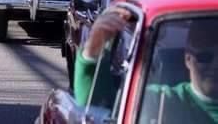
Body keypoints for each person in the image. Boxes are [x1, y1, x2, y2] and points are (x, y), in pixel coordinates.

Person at [75, 8, 218, 124]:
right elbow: (95, 105)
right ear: (188, 59)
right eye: (205, 57)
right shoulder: (160, 100)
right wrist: (92, 50)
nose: (215, 65)